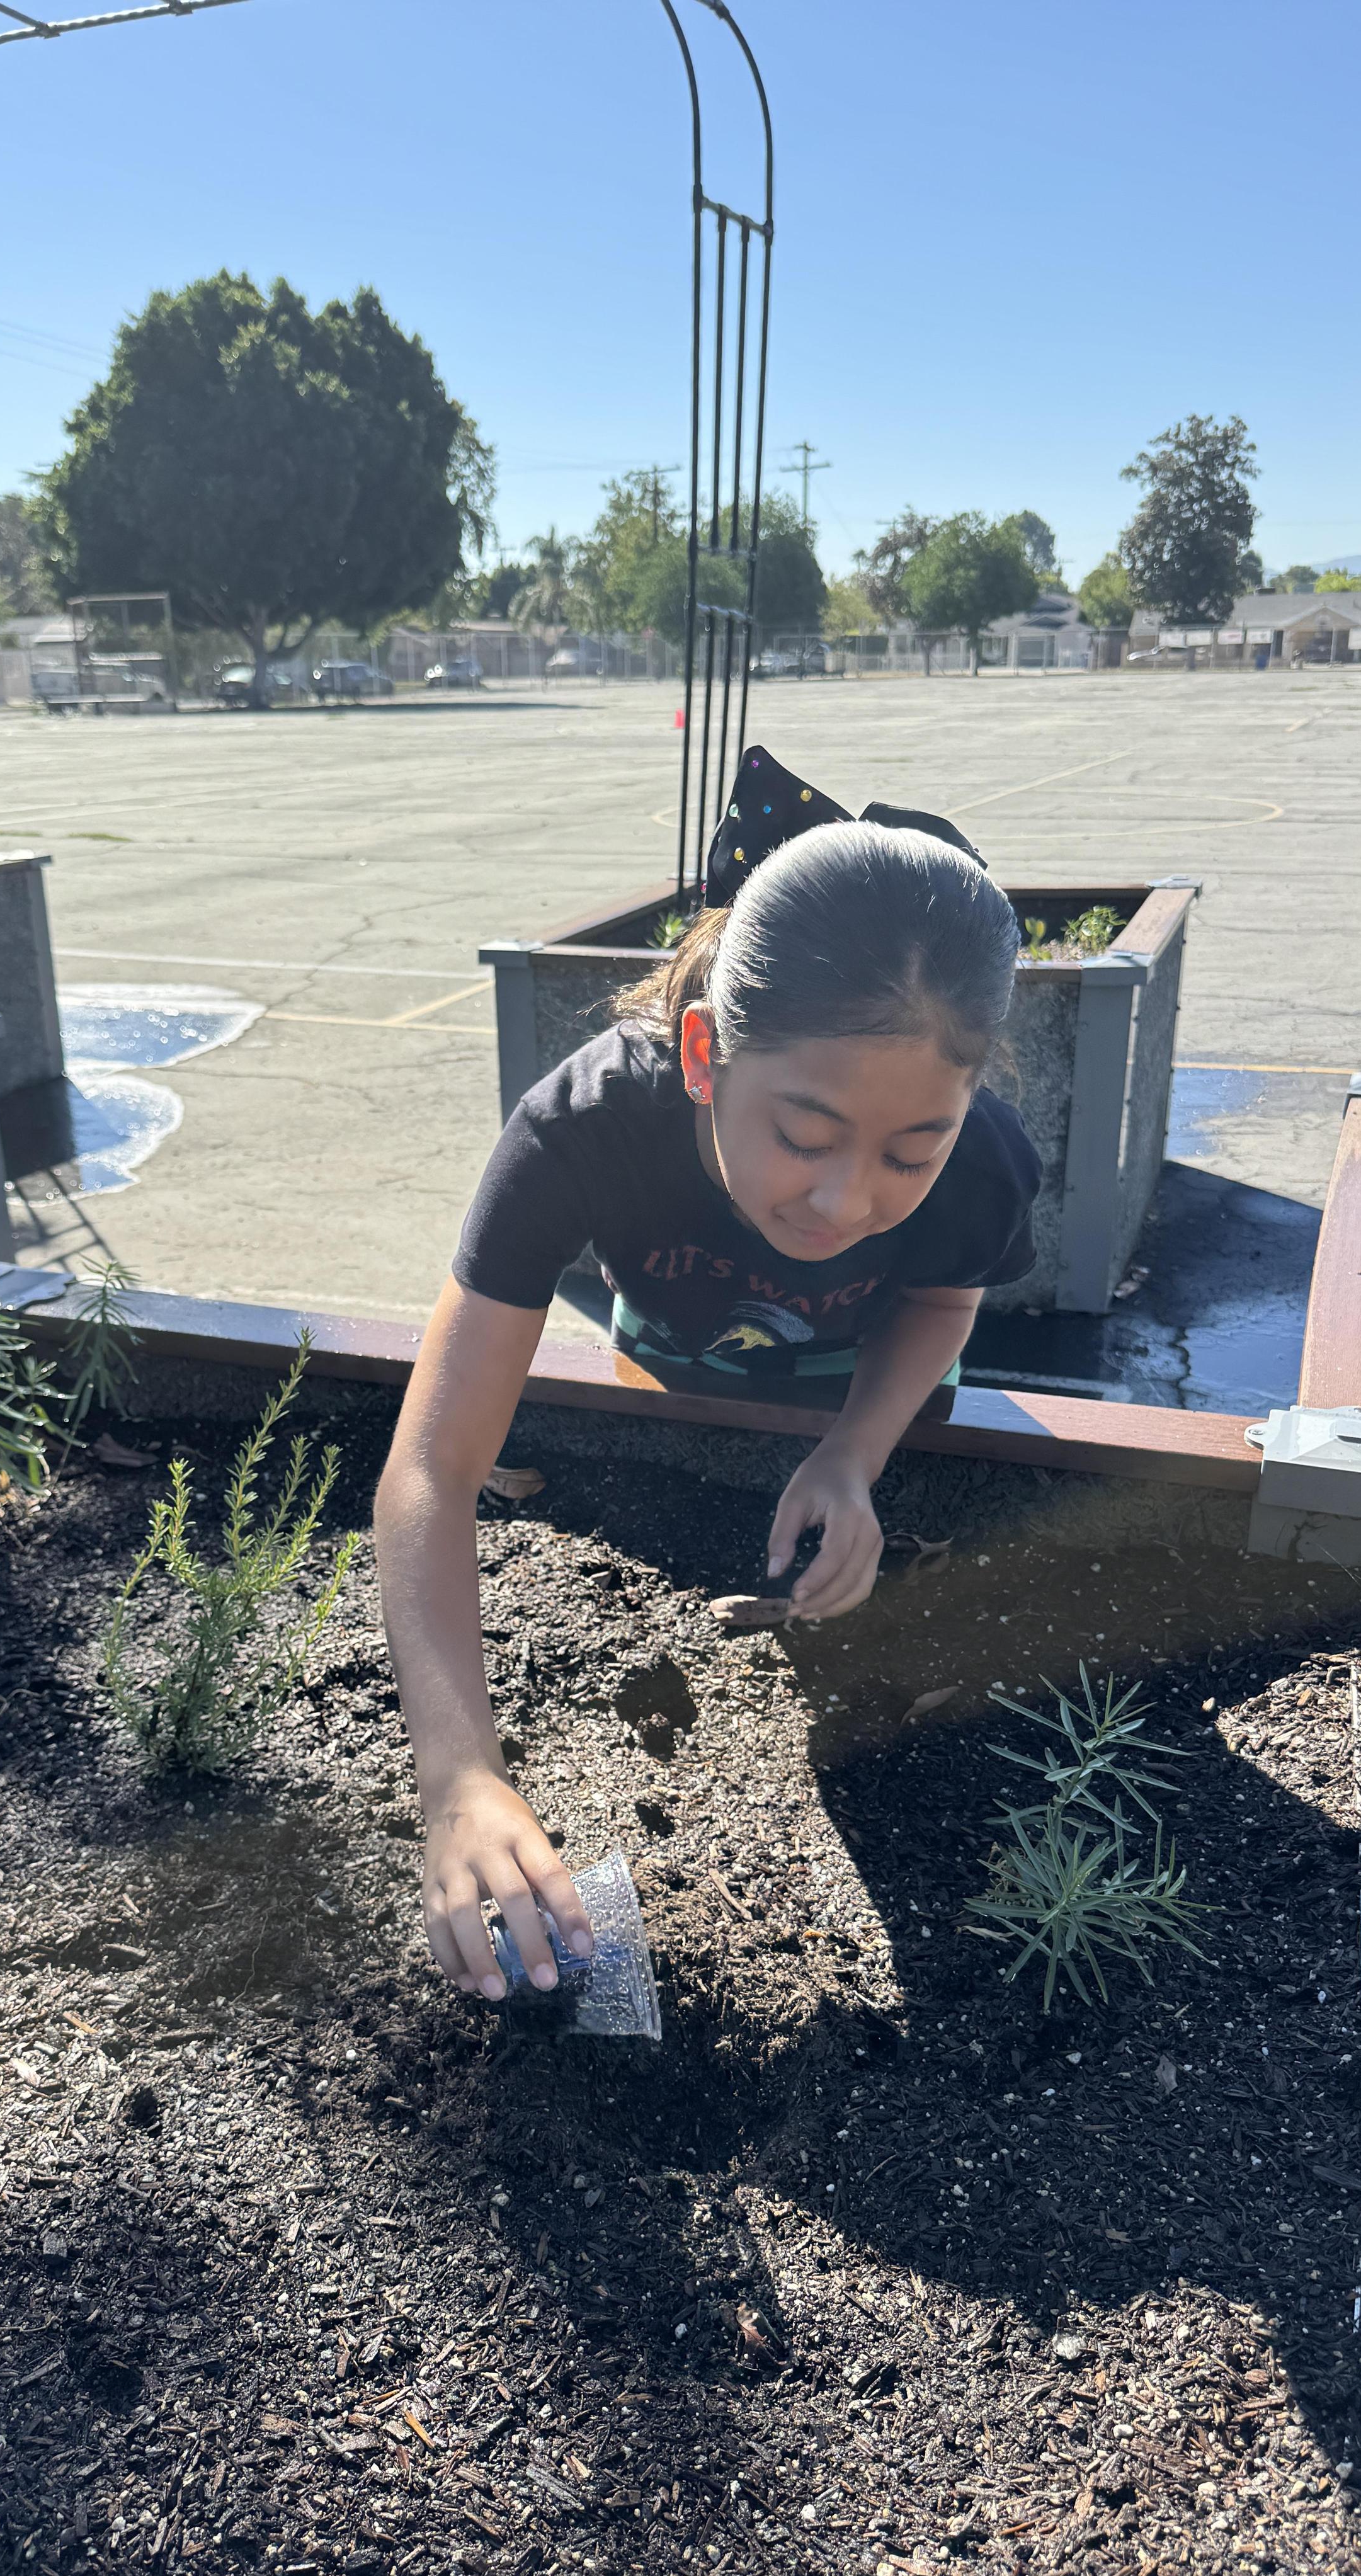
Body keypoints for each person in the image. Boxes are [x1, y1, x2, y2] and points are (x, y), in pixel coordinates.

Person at [373, 748, 1040, 2005]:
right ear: (699, 1056)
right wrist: (459, 1773)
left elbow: (945, 1296)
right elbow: (431, 1468)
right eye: (800, 1135)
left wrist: (851, 1456)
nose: (847, 1200)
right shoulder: (577, 1132)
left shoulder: (987, 1160)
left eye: (912, 1151)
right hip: (675, 1358)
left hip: (872, 1384)